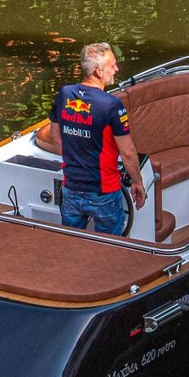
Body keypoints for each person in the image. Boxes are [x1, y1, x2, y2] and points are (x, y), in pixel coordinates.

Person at [52, 42, 146, 236]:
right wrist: (137, 182)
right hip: (103, 192)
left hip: (70, 189)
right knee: (109, 249)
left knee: (70, 245)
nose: (116, 69)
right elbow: (128, 152)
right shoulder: (112, 105)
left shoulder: (64, 94)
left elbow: (55, 135)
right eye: (112, 65)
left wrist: (76, 154)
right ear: (98, 71)